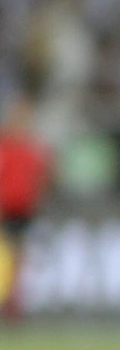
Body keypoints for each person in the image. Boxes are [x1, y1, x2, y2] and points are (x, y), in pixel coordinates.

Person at [0, 87, 53, 324]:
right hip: (5, 209)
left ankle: (13, 305)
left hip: (24, 211)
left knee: (18, 258)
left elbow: (41, 180)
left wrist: (37, 201)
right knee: (8, 257)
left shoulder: (34, 149)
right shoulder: (6, 147)